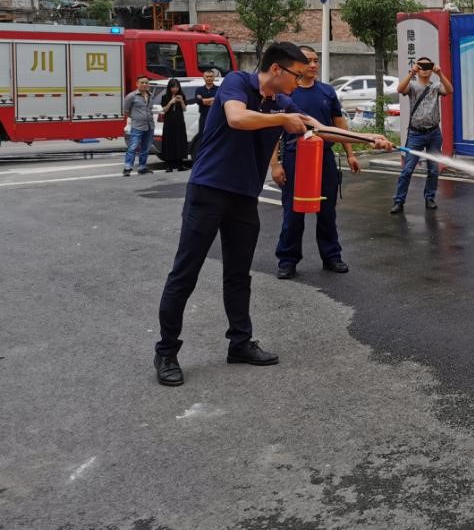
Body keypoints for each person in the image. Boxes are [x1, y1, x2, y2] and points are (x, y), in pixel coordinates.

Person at [153, 42, 393, 387]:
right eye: (297, 74)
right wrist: (282, 119)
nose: (301, 81)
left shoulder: (283, 101)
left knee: (239, 275)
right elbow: (237, 118)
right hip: (208, 191)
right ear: (277, 70)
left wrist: (367, 139)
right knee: (185, 272)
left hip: (243, 197)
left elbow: (316, 127)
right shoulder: (237, 83)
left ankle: (239, 343)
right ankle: (166, 351)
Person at [270, 46, 360, 279]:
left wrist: (350, 154)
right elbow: (273, 132)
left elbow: (339, 125)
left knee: (327, 212)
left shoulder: (326, 91)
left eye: (316, 60)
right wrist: (275, 165)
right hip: (295, 157)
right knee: (293, 212)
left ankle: (332, 256)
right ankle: (287, 260)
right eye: (308, 61)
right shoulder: (287, 93)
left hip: (324, 157)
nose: (313, 65)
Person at [389, 56, 453, 214]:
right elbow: (400, 89)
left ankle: (429, 198)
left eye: (428, 66)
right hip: (416, 134)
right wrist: (411, 73)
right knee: (408, 169)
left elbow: (450, 90)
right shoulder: (412, 85)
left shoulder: (436, 86)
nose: (425, 69)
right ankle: (399, 201)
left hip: (434, 133)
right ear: (417, 68)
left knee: (433, 169)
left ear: (432, 69)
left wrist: (440, 73)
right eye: (421, 66)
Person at [123, 75, 154, 177]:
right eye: (142, 82)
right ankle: (127, 167)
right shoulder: (131, 96)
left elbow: (150, 109)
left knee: (146, 148)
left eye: (146, 83)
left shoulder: (150, 95)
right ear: (137, 84)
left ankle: (142, 167)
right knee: (133, 147)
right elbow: (126, 110)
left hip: (149, 125)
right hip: (137, 126)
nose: (144, 84)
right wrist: (135, 118)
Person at [159, 78, 190, 172]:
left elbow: (184, 109)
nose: (175, 89)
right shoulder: (165, 97)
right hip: (169, 122)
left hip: (179, 122)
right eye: (173, 87)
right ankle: (169, 165)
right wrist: (171, 102)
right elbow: (164, 110)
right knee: (169, 142)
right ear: (169, 87)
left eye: (177, 87)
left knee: (179, 141)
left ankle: (180, 164)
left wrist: (181, 101)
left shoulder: (182, 96)